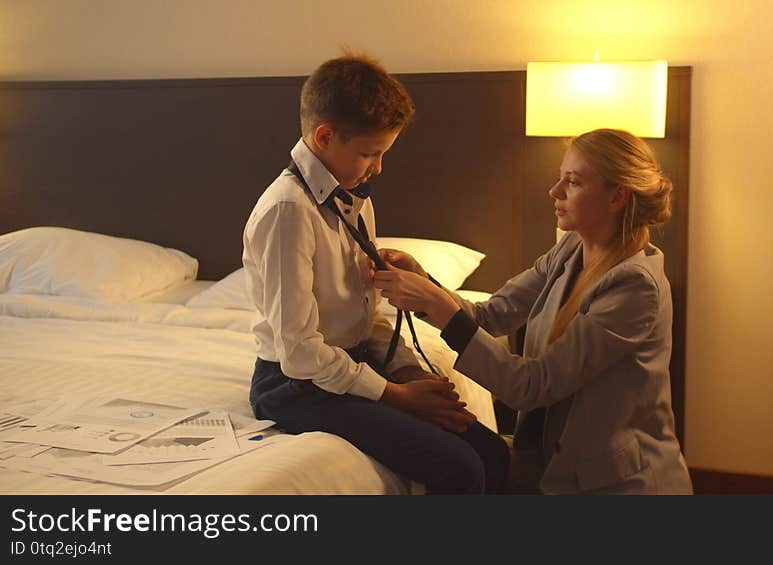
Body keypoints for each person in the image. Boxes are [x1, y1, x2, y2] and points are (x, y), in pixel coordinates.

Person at [243, 51, 509, 494]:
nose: (378, 168)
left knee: (493, 453)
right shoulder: (289, 210)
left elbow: (365, 318)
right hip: (296, 385)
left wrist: (408, 373)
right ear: (325, 136)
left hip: (349, 362)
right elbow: (299, 352)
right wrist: (397, 397)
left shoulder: (353, 199)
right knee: (460, 468)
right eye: (370, 153)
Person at [374, 128, 693, 494]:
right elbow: (490, 315)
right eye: (560, 178)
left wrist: (437, 304)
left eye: (572, 182)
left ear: (617, 196)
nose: (554, 192)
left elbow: (533, 385)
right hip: (548, 468)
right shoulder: (571, 249)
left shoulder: (635, 287)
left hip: (613, 484)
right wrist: (425, 283)